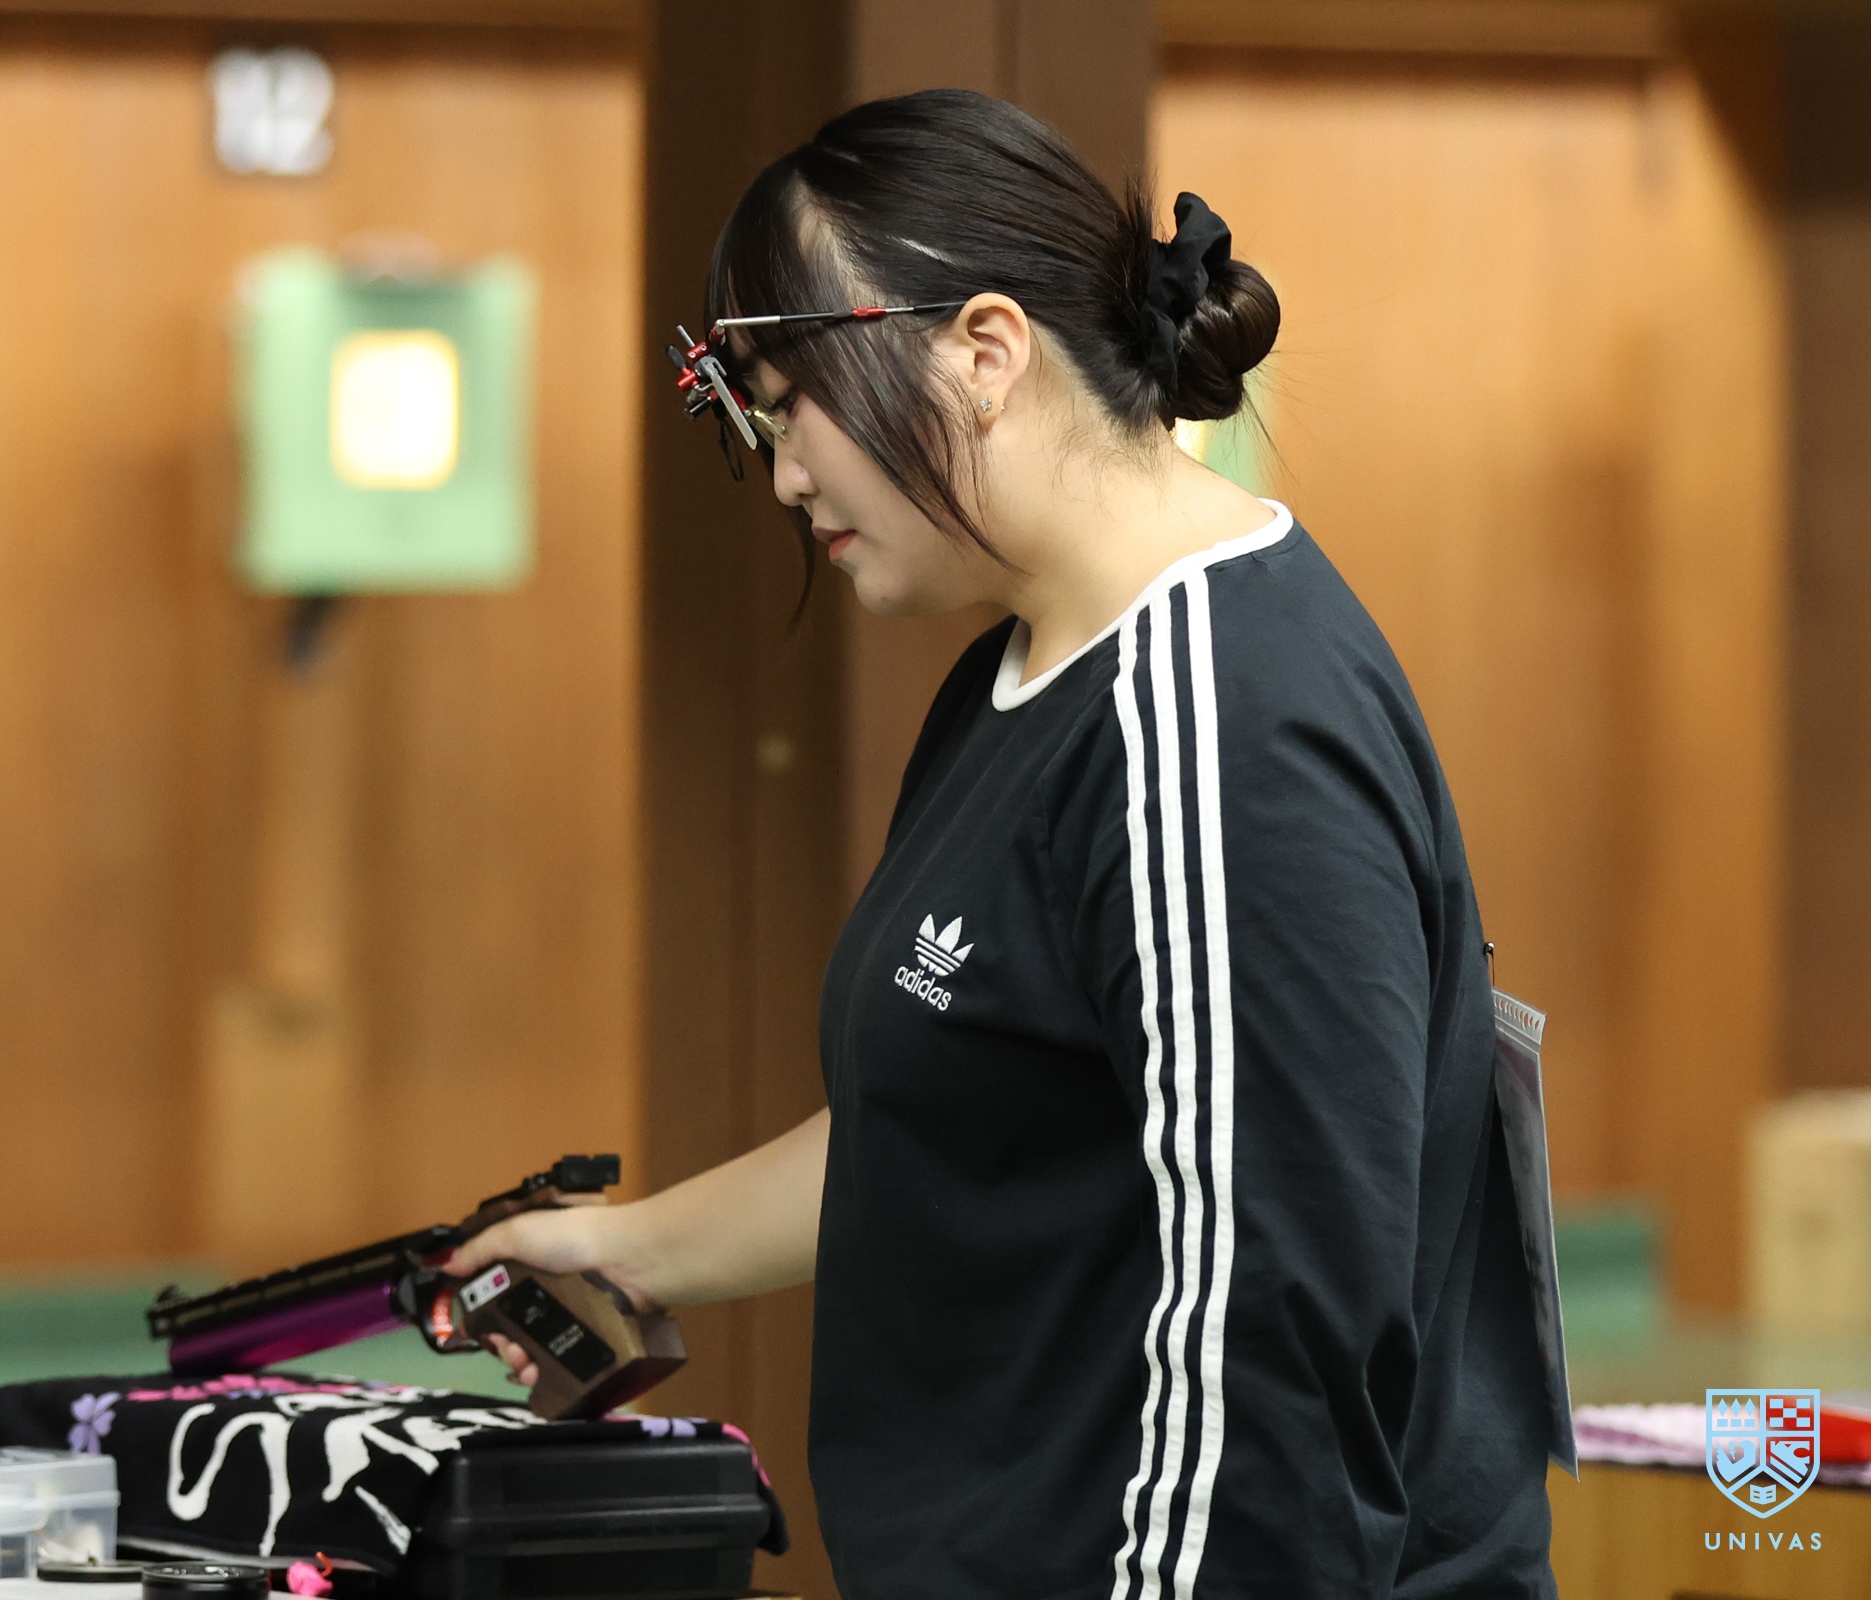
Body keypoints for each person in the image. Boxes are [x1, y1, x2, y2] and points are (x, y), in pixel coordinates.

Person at [448, 89, 1555, 1598]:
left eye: (793, 401)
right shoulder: (1020, 670)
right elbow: (953, 1124)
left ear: (982, 351)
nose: (784, 473)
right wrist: (631, 1247)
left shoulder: (1223, 723)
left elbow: (1270, 1364)